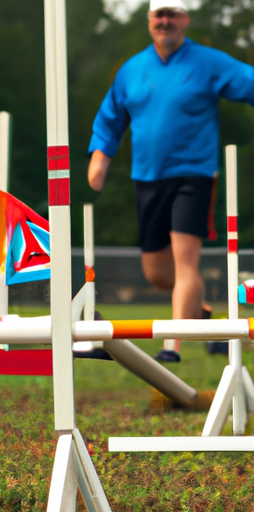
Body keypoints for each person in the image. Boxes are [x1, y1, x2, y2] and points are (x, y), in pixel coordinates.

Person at [87, 0, 254, 362]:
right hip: (147, 177)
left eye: (172, 15)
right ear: (150, 20)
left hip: (193, 173)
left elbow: (249, 82)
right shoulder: (132, 69)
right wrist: (101, 155)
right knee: (158, 273)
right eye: (158, 15)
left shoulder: (208, 62)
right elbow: (111, 115)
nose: (165, 22)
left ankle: (171, 345)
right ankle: (204, 316)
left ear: (185, 19)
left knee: (185, 263)